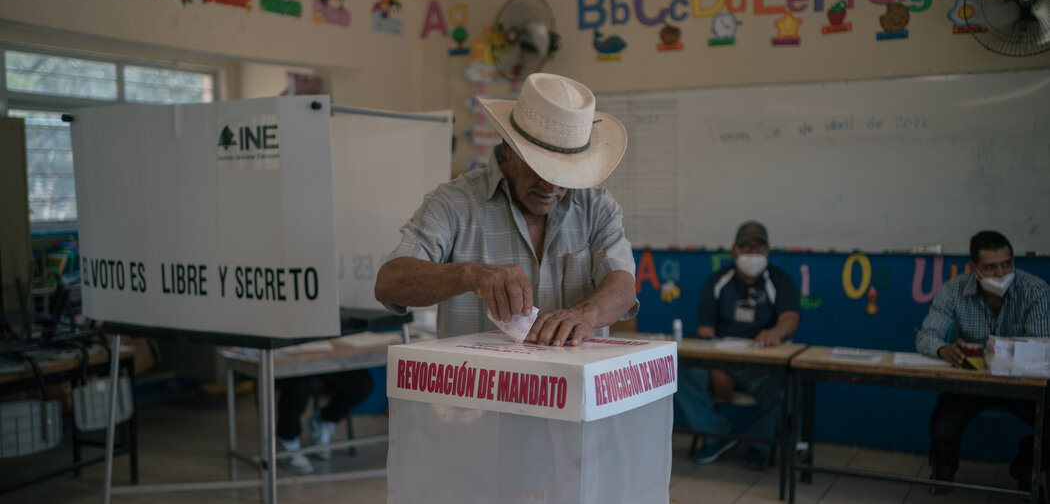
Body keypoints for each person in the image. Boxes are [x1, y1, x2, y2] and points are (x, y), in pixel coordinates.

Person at [374, 72, 638, 345]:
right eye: (538, 168)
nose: (549, 187)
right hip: (479, 384)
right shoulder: (453, 203)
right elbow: (389, 283)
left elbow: (623, 288)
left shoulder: (597, 207)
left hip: (571, 386)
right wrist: (468, 275)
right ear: (508, 147)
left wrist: (587, 314)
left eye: (563, 174)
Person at [916, 230, 1050, 495]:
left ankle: (1026, 467)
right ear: (973, 268)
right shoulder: (954, 289)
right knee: (942, 427)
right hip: (972, 379)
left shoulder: (1035, 291)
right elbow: (926, 336)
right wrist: (944, 350)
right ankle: (945, 472)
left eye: (1007, 264)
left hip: (1023, 384)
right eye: (990, 267)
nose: (1001, 273)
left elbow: (1040, 349)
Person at [673, 221, 800, 469]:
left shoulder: (780, 280)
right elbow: (705, 331)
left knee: (786, 386)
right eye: (746, 246)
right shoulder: (718, 281)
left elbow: (790, 319)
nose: (753, 253)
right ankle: (717, 436)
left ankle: (759, 446)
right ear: (734, 251)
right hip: (721, 360)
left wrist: (775, 333)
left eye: (759, 246)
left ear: (768, 251)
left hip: (763, 365)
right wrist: (715, 368)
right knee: (680, 372)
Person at [276, 369, 374, 474]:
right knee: (298, 386)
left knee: (362, 382)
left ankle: (323, 421)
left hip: (322, 361)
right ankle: (287, 440)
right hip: (290, 365)